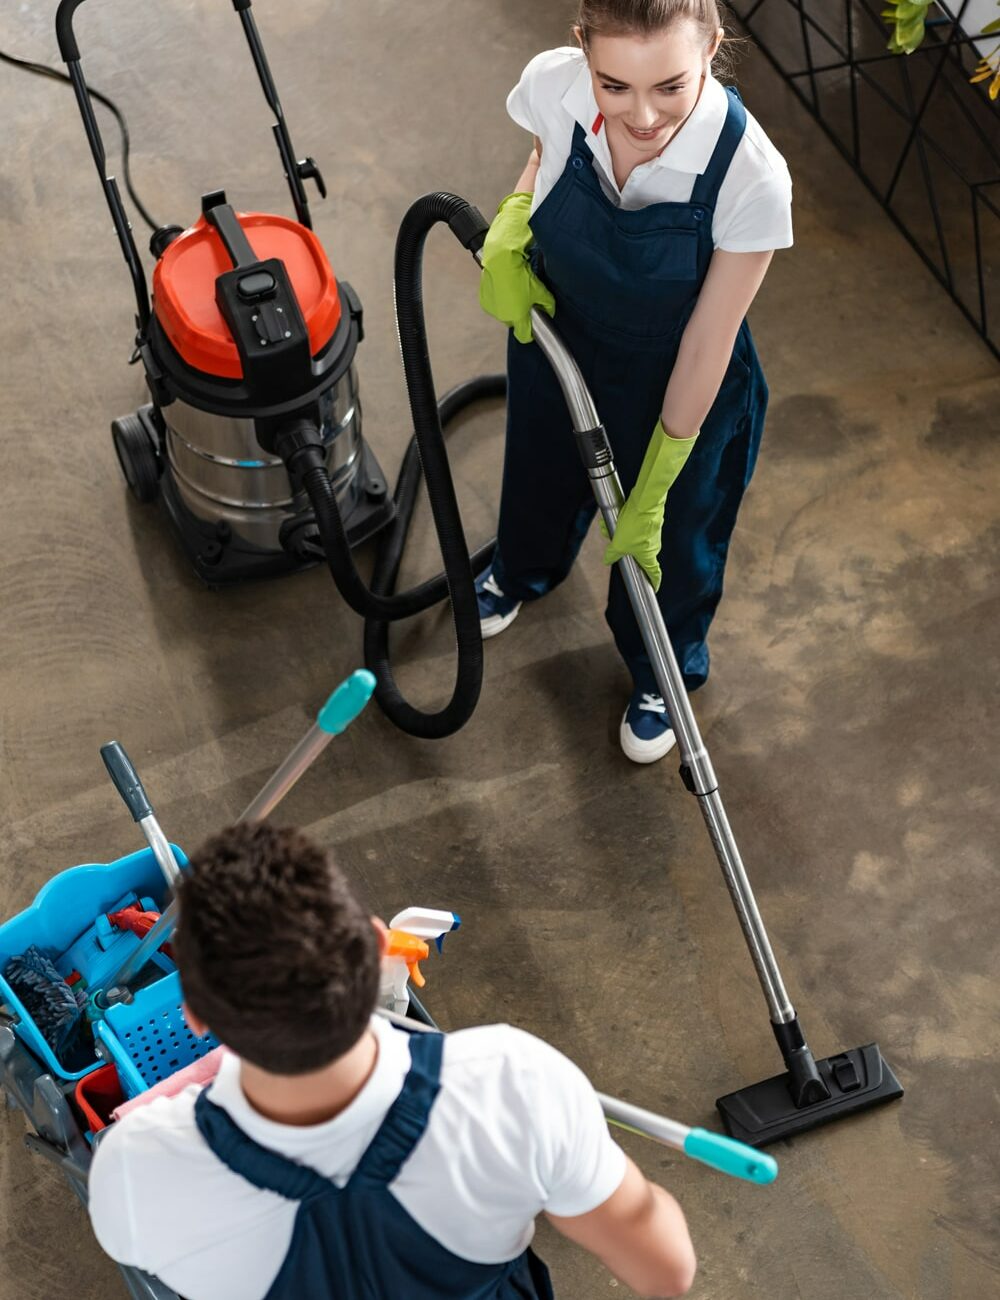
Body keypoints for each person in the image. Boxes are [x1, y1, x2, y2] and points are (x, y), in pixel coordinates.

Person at [88, 822, 696, 1300]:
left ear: (194, 1013)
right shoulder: (513, 1084)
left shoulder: (133, 1168)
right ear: (381, 944)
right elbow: (666, 1272)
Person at [477, 0, 793, 764]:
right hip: (561, 333)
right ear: (582, 49)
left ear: (714, 48)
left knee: (671, 542)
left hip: (676, 380)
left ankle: (662, 668)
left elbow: (709, 342)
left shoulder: (749, 175)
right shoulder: (557, 85)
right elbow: (542, 155)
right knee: (540, 467)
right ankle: (522, 567)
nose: (643, 116)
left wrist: (654, 483)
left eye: (671, 88)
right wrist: (515, 218)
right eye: (614, 85)